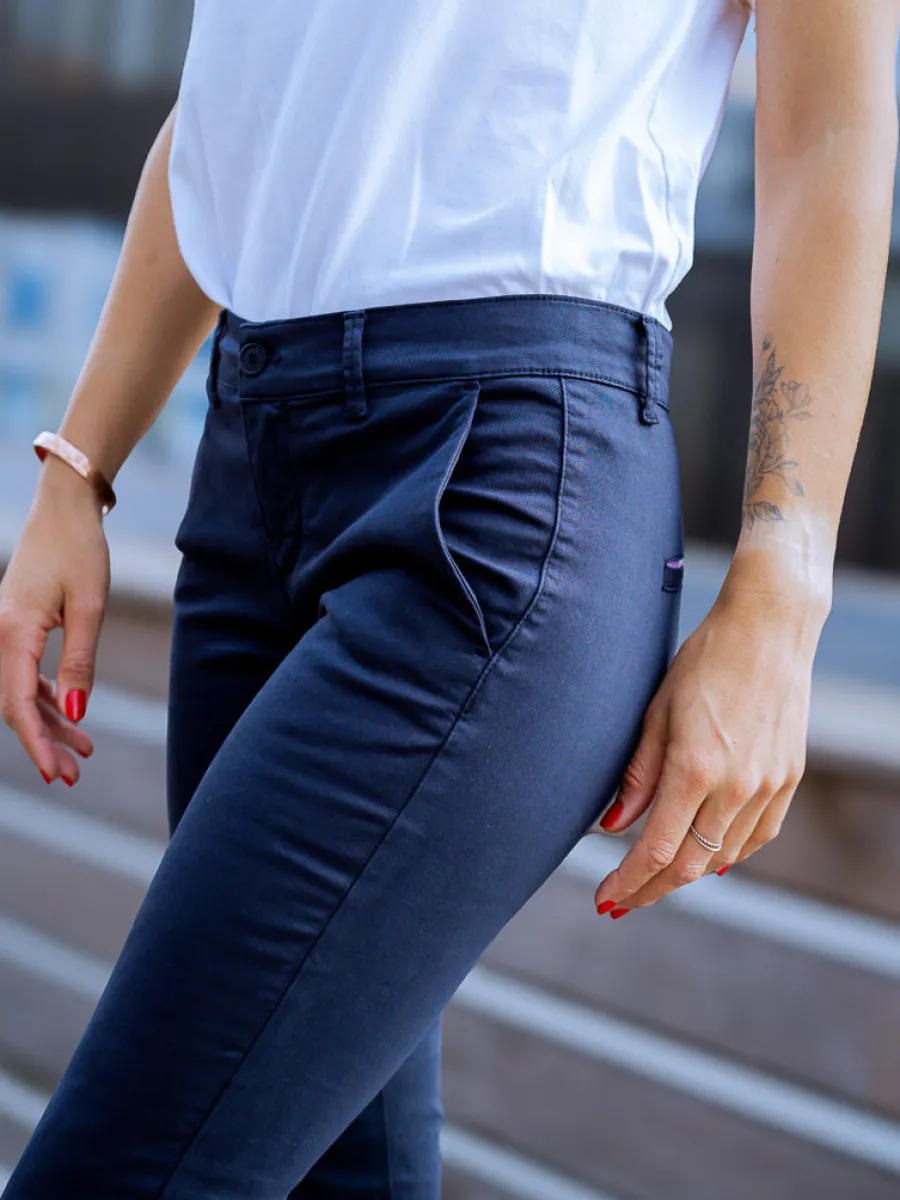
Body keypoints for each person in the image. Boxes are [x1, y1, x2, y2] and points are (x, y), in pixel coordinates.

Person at [1, 0, 898, 1195]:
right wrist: (77, 470)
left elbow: (831, 127)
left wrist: (783, 591)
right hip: (252, 459)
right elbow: (233, 114)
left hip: (501, 490)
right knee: (315, 1165)